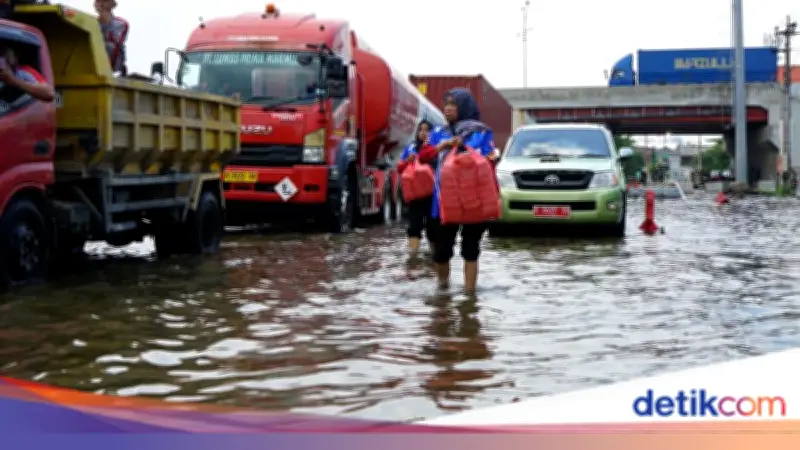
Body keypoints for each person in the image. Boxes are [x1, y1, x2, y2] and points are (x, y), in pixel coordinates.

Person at [427, 88, 498, 294]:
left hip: (473, 198)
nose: (447, 108)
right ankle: (443, 289)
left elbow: (486, 157)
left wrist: (464, 146)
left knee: (470, 249)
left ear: (464, 108)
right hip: (443, 201)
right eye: (446, 104)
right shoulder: (438, 132)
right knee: (441, 251)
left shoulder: (481, 132)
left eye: (453, 105)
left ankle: (469, 295)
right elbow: (426, 155)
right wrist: (440, 147)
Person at [397, 120, 438, 256]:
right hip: (415, 195)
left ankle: (435, 258)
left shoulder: (436, 148)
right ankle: (413, 258)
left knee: (433, 229)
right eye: (421, 129)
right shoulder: (411, 147)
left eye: (426, 130)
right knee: (414, 227)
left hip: (432, 195)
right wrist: (408, 160)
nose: (423, 132)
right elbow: (400, 167)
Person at [94, 0, 129, 75]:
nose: (100, 3)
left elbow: (116, 41)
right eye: (98, 1)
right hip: (96, 69)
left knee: (110, 46)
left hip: (116, 72)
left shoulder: (121, 23)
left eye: (104, 1)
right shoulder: (92, 23)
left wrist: (104, 17)